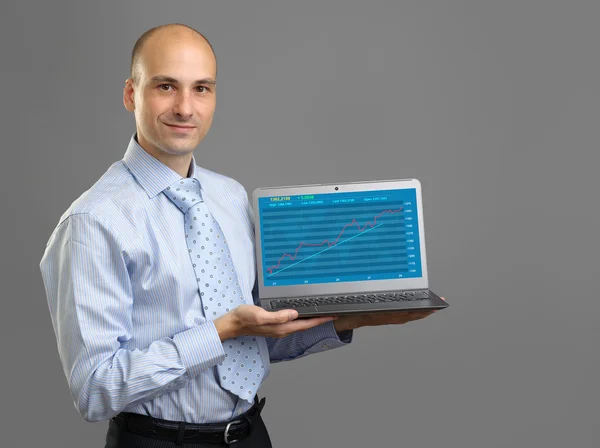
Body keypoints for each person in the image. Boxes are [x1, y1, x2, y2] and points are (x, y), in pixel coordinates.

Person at [39, 23, 440, 447]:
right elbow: (94, 389)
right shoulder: (93, 222)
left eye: (202, 89)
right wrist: (220, 330)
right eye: (166, 86)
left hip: (249, 435)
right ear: (131, 94)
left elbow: (255, 339)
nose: (185, 108)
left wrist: (356, 318)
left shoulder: (228, 196)